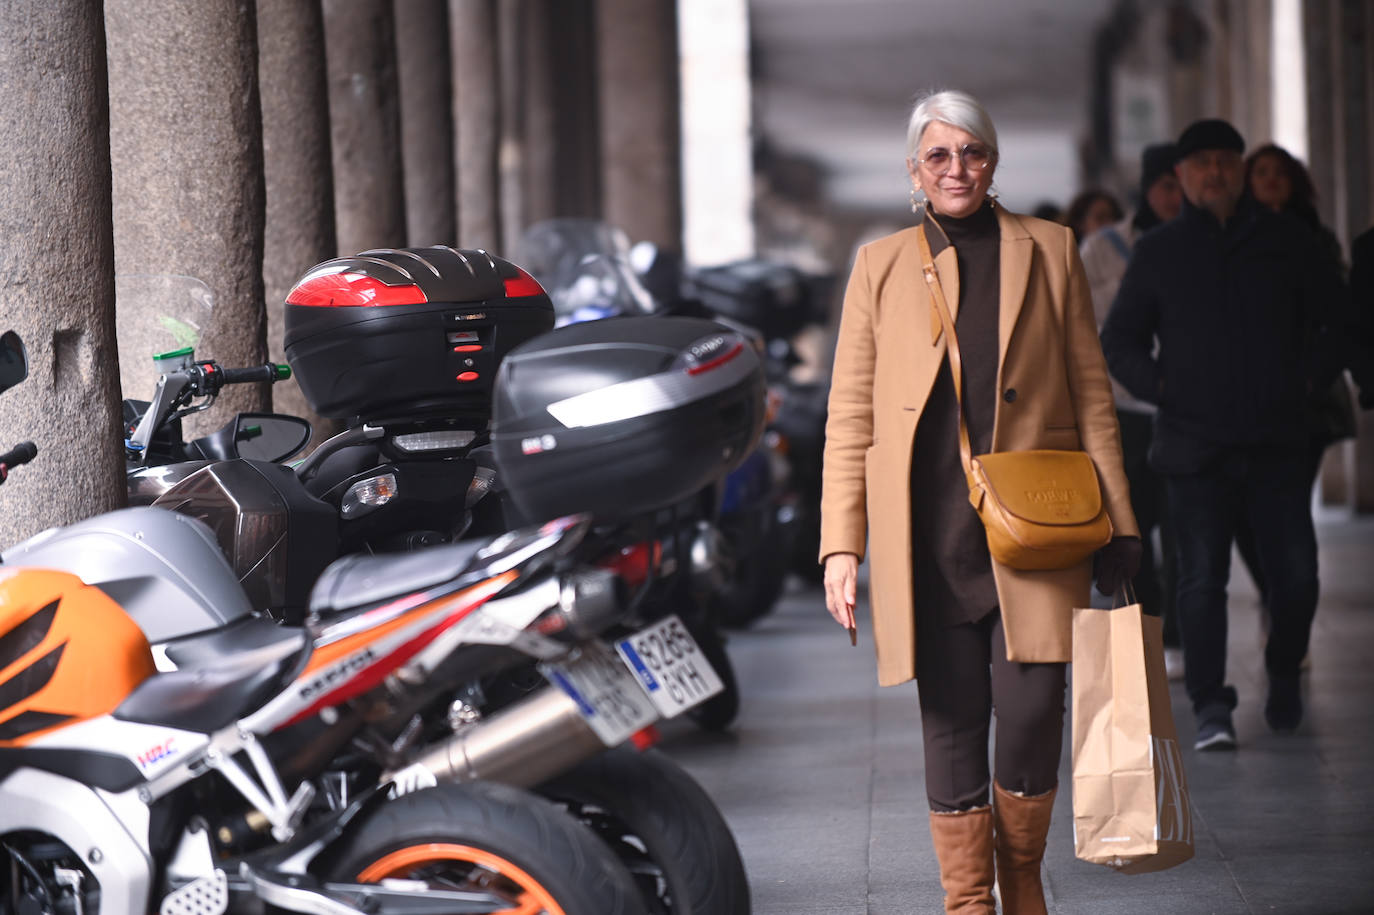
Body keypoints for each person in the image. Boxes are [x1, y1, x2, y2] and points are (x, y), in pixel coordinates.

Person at [820, 89, 1139, 914]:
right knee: (952, 722)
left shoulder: (1050, 249)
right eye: (939, 155)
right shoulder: (879, 266)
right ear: (914, 171)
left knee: (1034, 714)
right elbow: (849, 418)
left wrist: (1123, 520)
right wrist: (840, 546)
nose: (956, 168)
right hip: (924, 536)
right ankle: (969, 901)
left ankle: (1022, 876)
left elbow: (1090, 393)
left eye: (972, 152)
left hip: (1037, 527)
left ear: (992, 162)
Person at [1101, 119, 1347, 752]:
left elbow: (1338, 321)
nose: (1213, 172)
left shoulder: (1289, 242)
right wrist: (1160, 389)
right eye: (1200, 163)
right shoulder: (1160, 253)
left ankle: (1284, 670)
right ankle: (1212, 704)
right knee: (1200, 579)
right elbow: (1120, 337)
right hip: (1193, 445)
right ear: (1181, 177)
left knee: (1295, 576)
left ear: (1240, 169)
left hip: (1277, 442)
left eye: (1224, 161)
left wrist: (1308, 381)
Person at [1079, 143, 1185, 678]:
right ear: (1147, 189)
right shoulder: (1102, 249)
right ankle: (1151, 630)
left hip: (1188, 409)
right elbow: (1087, 331)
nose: (1176, 196)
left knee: (1187, 526)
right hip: (1124, 409)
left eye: (1180, 184)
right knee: (1135, 528)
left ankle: (1184, 635)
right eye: (1165, 185)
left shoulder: (1201, 245)